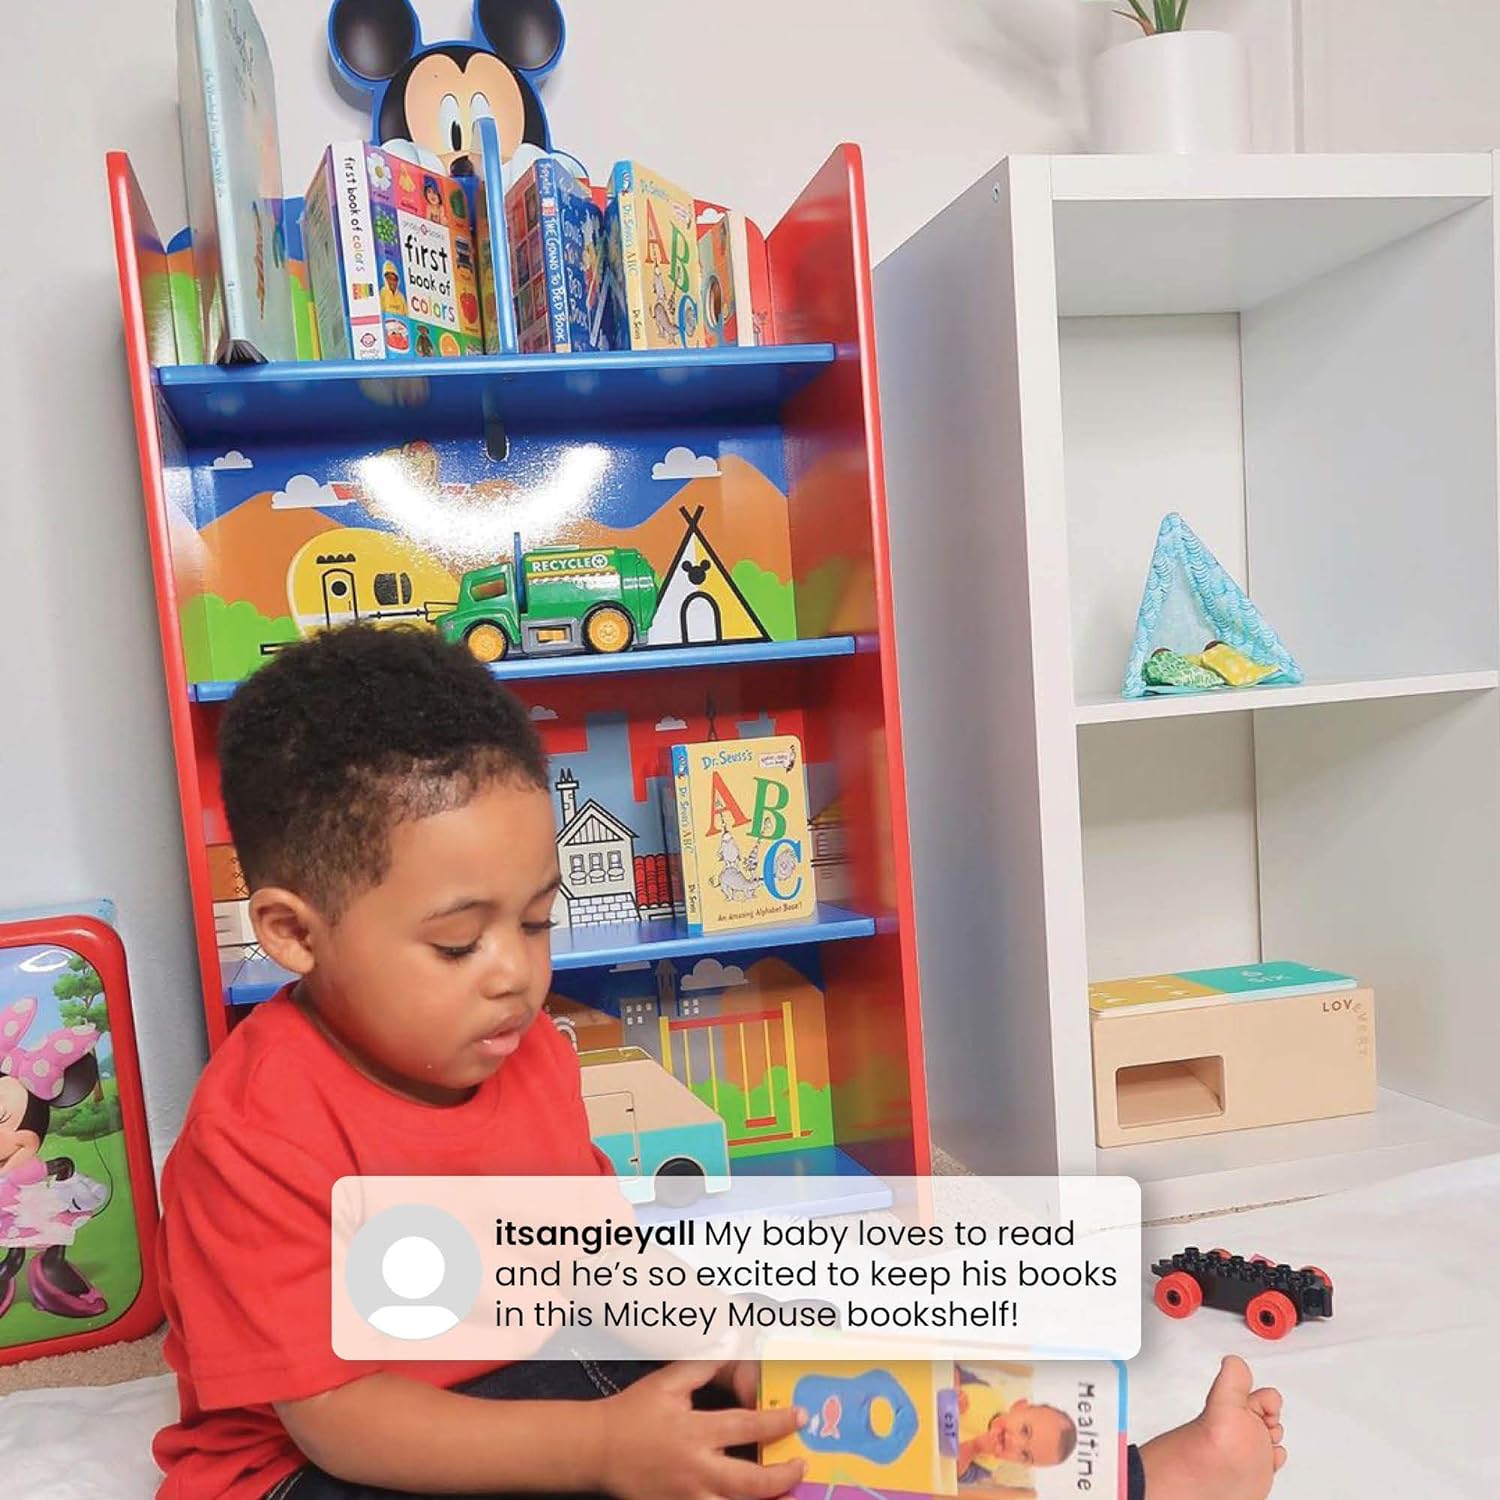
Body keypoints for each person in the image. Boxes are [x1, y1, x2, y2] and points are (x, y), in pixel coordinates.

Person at [151, 625, 803, 1500]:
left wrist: (727, 1343)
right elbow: (337, 1419)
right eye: (458, 944)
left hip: (518, 1369)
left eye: (535, 922)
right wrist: (597, 1448)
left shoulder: (528, 1052)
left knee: (726, 1418)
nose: (515, 975)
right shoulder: (251, 1136)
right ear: (295, 933)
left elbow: (600, 1260)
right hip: (323, 1454)